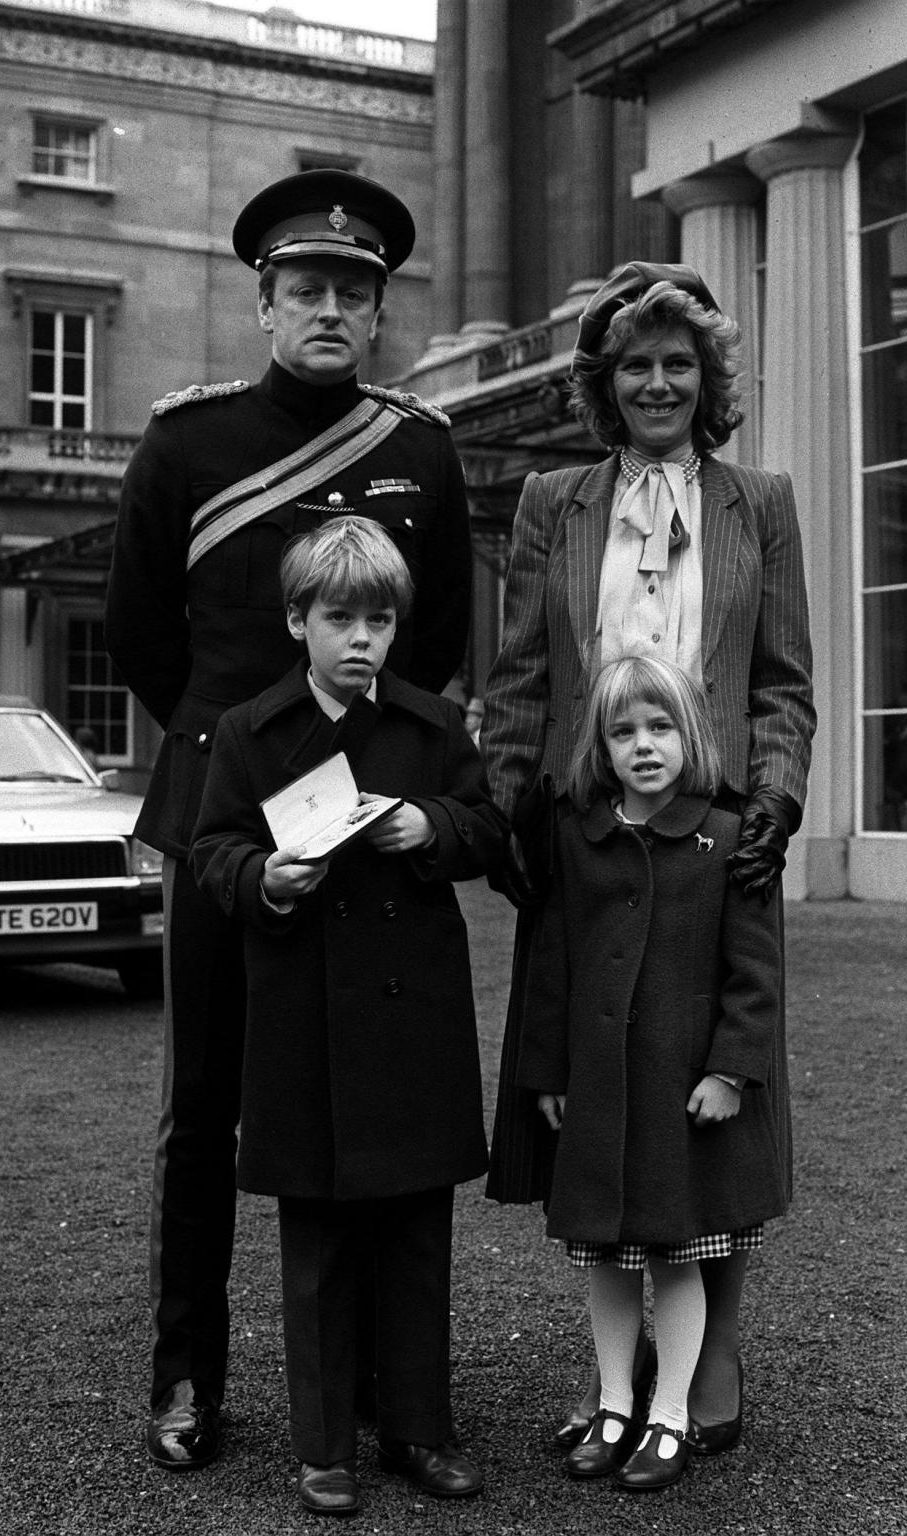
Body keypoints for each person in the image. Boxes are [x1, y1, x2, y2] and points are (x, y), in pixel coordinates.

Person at [104, 168, 473, 1470]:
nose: (331, 309)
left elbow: (440, 648)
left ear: (378, 311)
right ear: (264, 300)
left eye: (354, 292)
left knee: (365, 1095)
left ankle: (379, 1388)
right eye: (307, 287)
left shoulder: (420, 449)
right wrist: (237, 762)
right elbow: (144, 634)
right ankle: (186, 1378)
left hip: (367, 824)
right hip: (224, 817)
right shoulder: (184, 444)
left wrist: (364, 779)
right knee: (204, 1106)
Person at [481, 261, 815, 1453]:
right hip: (588, 832)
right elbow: (520, 671)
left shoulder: (759, 501)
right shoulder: (552, 503)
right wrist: (509, 805)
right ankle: (622, 1374)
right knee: (602, 1078)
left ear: (708, 379)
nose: (659, 382)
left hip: (715, 834)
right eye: (636, 365)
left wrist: (775, 798)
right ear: (603, 384)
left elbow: (782, 681)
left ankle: (708, 1351)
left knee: (708, 1082)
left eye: (680, 363)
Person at [189, 516, 502, 1516]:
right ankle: (324, 1448)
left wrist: (433, 826)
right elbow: (212, 849)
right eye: (339, 618)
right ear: (297, 622)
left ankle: (419, 1431)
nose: (362, 638)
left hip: (415, 1021)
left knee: (417, 1236)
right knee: (317, 1241)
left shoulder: (431, 725)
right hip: (303, 1020)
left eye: (379, 619)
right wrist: (265, 880)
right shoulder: (249, 730)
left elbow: (488, 829)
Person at [517, 655, 785, 1491]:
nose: (643, 746)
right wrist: (548, 1072)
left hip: (681, 1094)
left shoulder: (729, 840)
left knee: (675, 1256)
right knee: (604, 1256)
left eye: (661, 727)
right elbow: (554, 966)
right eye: (623, 730)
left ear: (691, 735)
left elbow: (756, 975)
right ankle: (612, 1406)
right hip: (599, 1090)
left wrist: (731, 1073)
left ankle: (668, 1417)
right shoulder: (581, 836)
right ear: (600, 744)